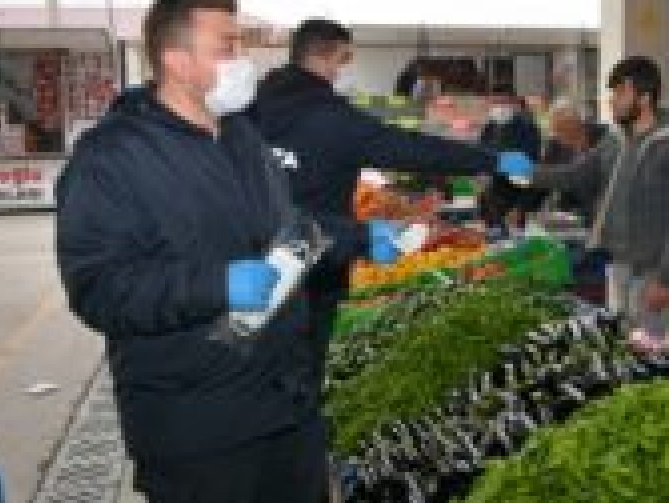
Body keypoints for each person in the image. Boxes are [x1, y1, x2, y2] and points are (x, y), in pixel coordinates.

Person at [56, 0, 327, 503]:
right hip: (194, 416)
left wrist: (354, 238)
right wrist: (213, 285)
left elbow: (289, 230)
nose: (243, 58)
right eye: (227, 44)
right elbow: (97, 287)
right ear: (176, 60)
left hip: (283, 401)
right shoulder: (112, 157)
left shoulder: (242, 137)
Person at [244, 19, 531, 371]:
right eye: (343, 59)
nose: (343, 70)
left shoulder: (247, 111)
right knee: (300, 372)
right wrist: (491, 160)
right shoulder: (332, 118)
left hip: (248, 264)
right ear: (323, 57)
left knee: (249, 368)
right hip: (314, 267)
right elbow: (410, 148)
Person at [515, 56, 669, 341]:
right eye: (612, 93)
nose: (612, 101)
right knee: (621, 339)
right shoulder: (615, 141)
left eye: (620, 93)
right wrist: (523, 170)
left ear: (644, 98)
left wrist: (665, 278)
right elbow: (575, 174)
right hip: (617, 262)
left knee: (645, 346)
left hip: (650, 269)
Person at [532, 96, 608, 222]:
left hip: (598, 212)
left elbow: (575, 175)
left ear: (576, 123)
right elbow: (547, 177)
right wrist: (523, 209)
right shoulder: (554, 144)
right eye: (555, 130)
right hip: (568, 214)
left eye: (560, 129)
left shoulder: (604, 138)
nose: (557, 135)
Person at [477, 91, 542, 235]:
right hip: (491, 199)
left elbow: (530, 170)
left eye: (503, 102)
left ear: (514, 103)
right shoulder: (489, 128)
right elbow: (481, 157)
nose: (499, 107)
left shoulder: (528, 130)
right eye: (495, 102)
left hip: (514, 199)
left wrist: (521, 207)